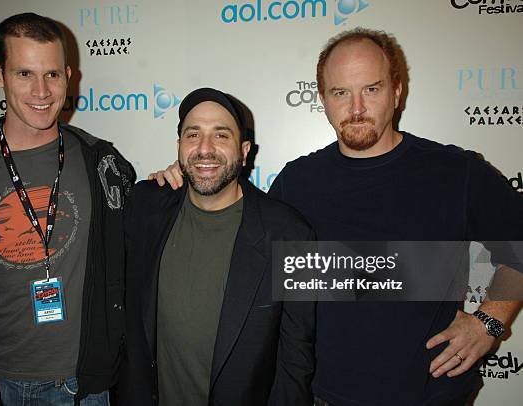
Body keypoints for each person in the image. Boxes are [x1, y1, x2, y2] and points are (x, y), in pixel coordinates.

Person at [149, 29, 523, 405]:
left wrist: (489, 322)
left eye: (372, 89)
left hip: (431, 397)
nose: (356, 107)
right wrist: (189, 176)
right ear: (323, 100)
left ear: (397, 91)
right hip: (322, 396)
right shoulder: (297, 182)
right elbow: (228, 215)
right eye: (341, 93)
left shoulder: (455, 172)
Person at [0, 13, 134, 405]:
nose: (41, 91)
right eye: (24, 74)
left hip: (83, 390)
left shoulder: (103, 163)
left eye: (52, 74)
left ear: (68, 75)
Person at [122, 88, 315, 406]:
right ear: (180, 147)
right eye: (192, 134)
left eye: (221, 136)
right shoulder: (144, 205)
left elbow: (296, 360)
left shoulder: (290, 235)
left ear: (244, 150)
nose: (204, 149)